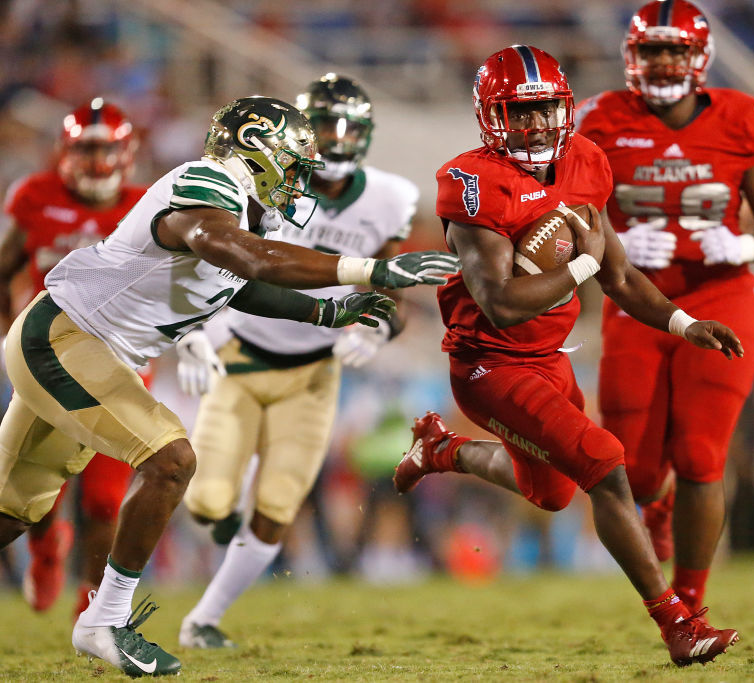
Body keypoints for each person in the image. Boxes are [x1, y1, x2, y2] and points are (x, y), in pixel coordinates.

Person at [0, 95, 458, 677]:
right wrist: (368, 269)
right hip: (66, 340)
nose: (300, 177)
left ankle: (100, 618)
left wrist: (326, 314)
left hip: (75, 347)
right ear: (258, 148)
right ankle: (103, 620)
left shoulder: (239, 210)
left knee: (11, 514)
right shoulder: (205, 182)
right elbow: (242, 258)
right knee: (170, 459)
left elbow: (234, 284)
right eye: (294, 160)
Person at [392, 44, 744, 667]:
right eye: (518, 114)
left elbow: (620, 274)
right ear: (490, 118)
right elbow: (500, 302)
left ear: (564, 108)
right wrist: (581, 261)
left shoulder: (585, 162)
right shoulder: (472, 183)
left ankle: (443, 449)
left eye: (543, 110)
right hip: (488, 364)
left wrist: (684, 324)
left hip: (551, 358)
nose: (533, 126)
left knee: (553, 493)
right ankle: (676, 625)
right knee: (606, 462)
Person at [175, 74, 420, 648]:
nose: (335, 140)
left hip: (313, 371)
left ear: (366, 135)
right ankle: (219, 532)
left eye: (348, 127)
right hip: (239, 355)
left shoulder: (390, 198)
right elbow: (212, 260)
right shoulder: (266, 183)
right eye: (324, 127)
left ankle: (204, 618)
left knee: (279, 503)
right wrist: (194, 328)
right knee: (208, 500)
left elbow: (393, 289)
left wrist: (380, 327)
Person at [574, 0, 754, 613]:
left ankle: (692, 598)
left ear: (700, 57)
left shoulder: (740, 118)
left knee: (702, 455)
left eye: (676, 49)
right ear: (633, 56)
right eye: (653, 49)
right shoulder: (599, 120)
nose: (664, 61)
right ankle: (663, 502)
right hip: (636, 302)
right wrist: (609, 244)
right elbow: (566, 215)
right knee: (635, 475)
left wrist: (746, 242)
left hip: (720, 293)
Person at [0, 99, 147, 616]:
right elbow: (3, 269)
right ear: (65, 149)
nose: (94, 159)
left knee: (107, 500)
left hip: (120, 363)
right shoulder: (35, 196)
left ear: (125, 151)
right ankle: (46, 549)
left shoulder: (148, 206)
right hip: (48, 359)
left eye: (104, 148)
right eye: (86, 147)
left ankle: (93, 606)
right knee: (38, 491)